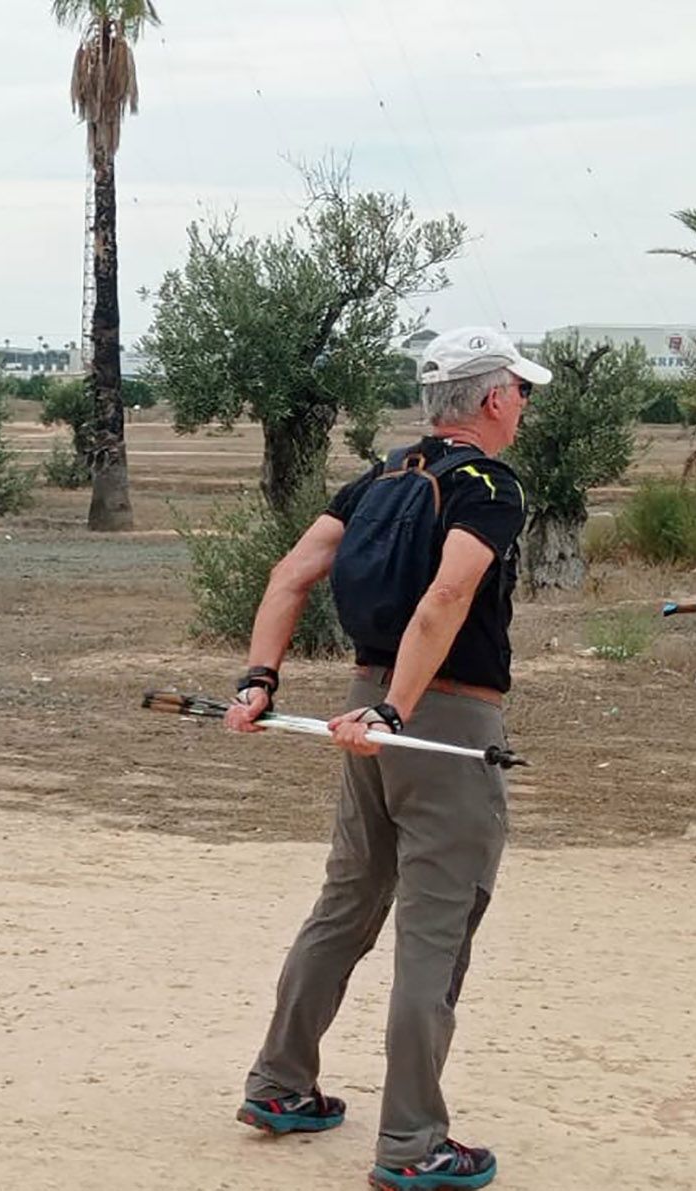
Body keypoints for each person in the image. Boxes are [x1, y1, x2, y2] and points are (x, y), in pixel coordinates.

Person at [224, 327, 540, 1190]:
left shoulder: (385, 475)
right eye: (520, 387)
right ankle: (413, 1144)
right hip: (436, 724)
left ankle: (280, 1085)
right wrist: (399, 708)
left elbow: (293, 574)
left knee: (347, 903)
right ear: (490, 400)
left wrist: (259, 680)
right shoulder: (487, 484)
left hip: (369, 715)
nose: (525, 402)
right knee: (435, 929)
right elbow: (449, 592)